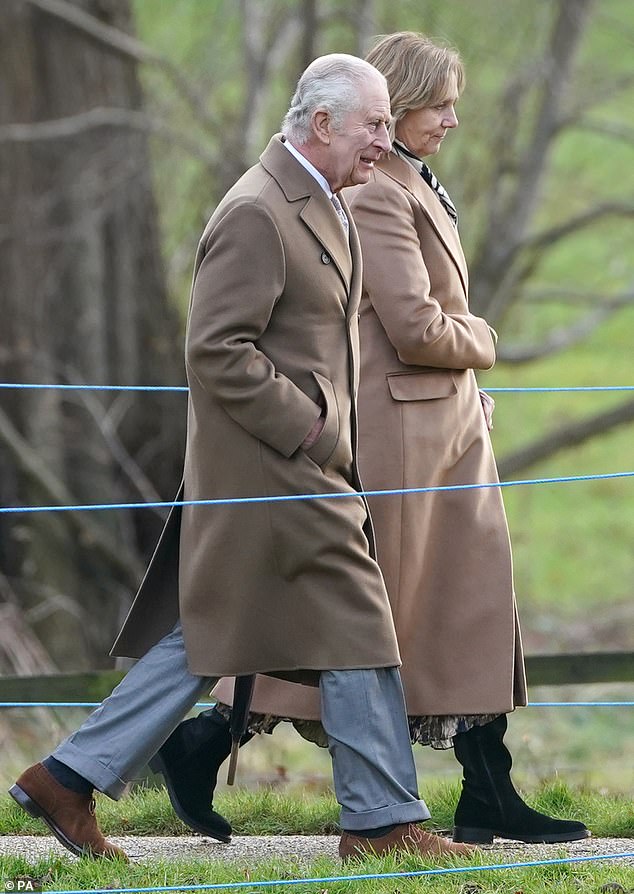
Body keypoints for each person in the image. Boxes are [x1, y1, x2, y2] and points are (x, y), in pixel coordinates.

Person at [8, 53, 474, 863]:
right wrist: (319, 431)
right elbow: (217, 351)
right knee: (359, 620)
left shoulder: (326, 197)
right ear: (321, 123)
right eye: (371, 125)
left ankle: (68, 776)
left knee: (211, 633)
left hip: (292, 470)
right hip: (275, 471)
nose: (382, 140)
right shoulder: (258, 211)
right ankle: (381, 824)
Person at [168, 33, 589, 847]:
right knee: (369, 623)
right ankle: (203, 742)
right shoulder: (375, 193)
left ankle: (485, 789)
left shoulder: (414, 184)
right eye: (439, 104)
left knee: (458, 616)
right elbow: (416, 325)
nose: (454, 120)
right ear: (390, 109)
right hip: (407, 442)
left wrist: (470, 389)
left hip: (444, 433)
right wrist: (484, 340)